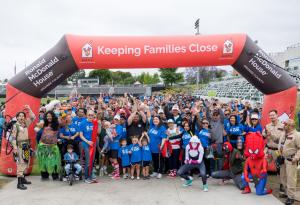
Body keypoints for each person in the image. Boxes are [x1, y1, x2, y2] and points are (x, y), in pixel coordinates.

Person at [11, 105, 35, 190]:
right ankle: (19, 183)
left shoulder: (25, 124)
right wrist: (15, 148)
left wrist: (29, 109)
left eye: (23, 116)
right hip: (19, 147)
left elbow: (33, 117)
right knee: (20, 164)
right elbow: (13, 138)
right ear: (17, 117)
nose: (21, 117)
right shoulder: (15, 126)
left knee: (25, 162)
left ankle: (23, 179)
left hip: (26, 147)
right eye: (19, 116)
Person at [262, 109, 285, 189]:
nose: (271, 117)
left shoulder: (282, 126)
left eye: (273, 115)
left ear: (277, 115)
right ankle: (261, 182)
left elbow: (281, 140)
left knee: (280, 168)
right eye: (270, 115)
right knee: (263, 165)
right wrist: (265, 134)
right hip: (268, 150)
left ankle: (282, 186)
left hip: (277, 151)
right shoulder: (267, 126)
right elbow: (263, 135)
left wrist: (271, 135)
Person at [36, 111, 61, 180]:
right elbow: (37, 131)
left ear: (53, 116)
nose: (49, 117)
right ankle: (44, 175)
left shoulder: (57, 124)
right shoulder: (43, 124)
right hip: (43, 146)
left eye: (50, 116)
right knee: (44, 161)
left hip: (53, 146)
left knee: (54, 161)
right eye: (47, 116)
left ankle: (55, 175)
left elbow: (64, 122)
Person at [280, 119, 300, 205]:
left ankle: (291, 197)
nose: (284, 126)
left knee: (291, 178)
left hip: (291, 160)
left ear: (291, 126)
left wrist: (296, 158)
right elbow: (280, 143)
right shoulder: (284, 133)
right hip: (282, 159)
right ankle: (286, 193)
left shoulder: (297, 135)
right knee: (283, 177)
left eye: (285, 124)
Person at [79, 110, 98, 183]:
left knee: (92, 161)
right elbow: (81, 135)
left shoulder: (95, 123)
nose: (91, 116)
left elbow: (98, 132)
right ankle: (86, 177)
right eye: (89, 115)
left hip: (93, 144)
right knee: (88, 161)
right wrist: (87, 141)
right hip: (86, 144)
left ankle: (90, 175)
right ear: (86, 115)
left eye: (92, 115)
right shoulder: (83, 123)